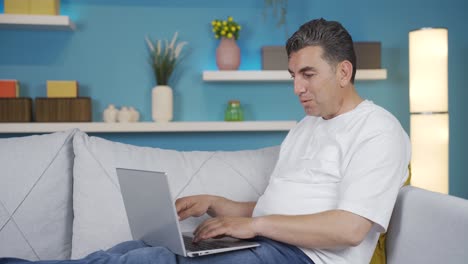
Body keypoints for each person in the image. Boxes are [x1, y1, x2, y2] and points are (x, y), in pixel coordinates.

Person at [1, 18, 410, 264]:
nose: (297, 88)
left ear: (343, 72)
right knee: (130, 250)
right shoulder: (307, 127)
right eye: (292, 77)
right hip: (271, 244)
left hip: (302, 258)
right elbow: (281, 204)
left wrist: (253, 225)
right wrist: (219, 204)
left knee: (152, 260)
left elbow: (349, 228)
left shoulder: (377, 130)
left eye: (308, 74)